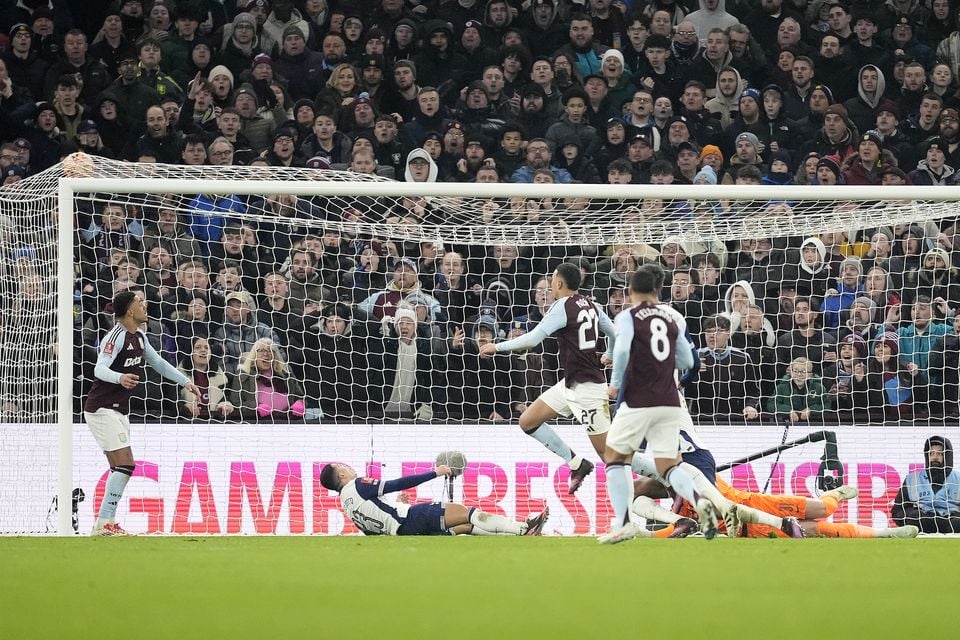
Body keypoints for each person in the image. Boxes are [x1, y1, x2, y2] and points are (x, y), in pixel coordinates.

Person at [598, 263, 723, 544]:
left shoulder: (628, 316)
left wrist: (615, 384)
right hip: (669, 400)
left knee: (614, 459)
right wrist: (674, 377)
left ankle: (623, 524)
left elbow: (620, 350)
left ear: (631, 292)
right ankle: (699, 501)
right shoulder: (672, 318)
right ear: (658, 290)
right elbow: (690, 362)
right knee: (669, 465)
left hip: (638, 399)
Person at [479, 263, 615, 494]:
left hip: (588, 389)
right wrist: (609, 354)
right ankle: (576, 464)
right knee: (528, 421)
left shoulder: (562, 305)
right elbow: (614, 332)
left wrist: (497, 346)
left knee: (611, 456)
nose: (550, 284)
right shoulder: (591, 304)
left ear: (559, 283)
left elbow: (533, 339)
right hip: (570, 384)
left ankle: (667, 479)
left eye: (552, 279)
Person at [84, 291, 199, 536]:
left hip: (117, 410)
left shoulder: (140, 337)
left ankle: (106, 523)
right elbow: (99, 369)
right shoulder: (114, 338)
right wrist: (120, 377)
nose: (144, 305)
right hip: (101, 408)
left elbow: (158, 363)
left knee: (120, 468)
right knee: (126, 464)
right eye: (139, 302)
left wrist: (184, 381)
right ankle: (104, 522)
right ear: (129, 310)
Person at [319, 462, 549, 536]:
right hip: (413, 519)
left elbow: (374, 528)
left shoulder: (345, 504)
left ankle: (516, 536)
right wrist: (435, 473)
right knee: (470, 512)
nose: (348, 468)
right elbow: (397, 483)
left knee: (466, 526)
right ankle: (522, 528)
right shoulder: (357, 484)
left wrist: (399, 504)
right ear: (340, 475)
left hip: (404, 532)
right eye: (343, 467)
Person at [892, 436, 960, 534]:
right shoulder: (912, 479)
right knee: (917, 519)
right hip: (922, 523)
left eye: (939, 453)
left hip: (952, 524)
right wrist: (914, 514)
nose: (935, 457)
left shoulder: (958, 479)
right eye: (931, 453)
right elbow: (897, 511)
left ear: (947, 456)